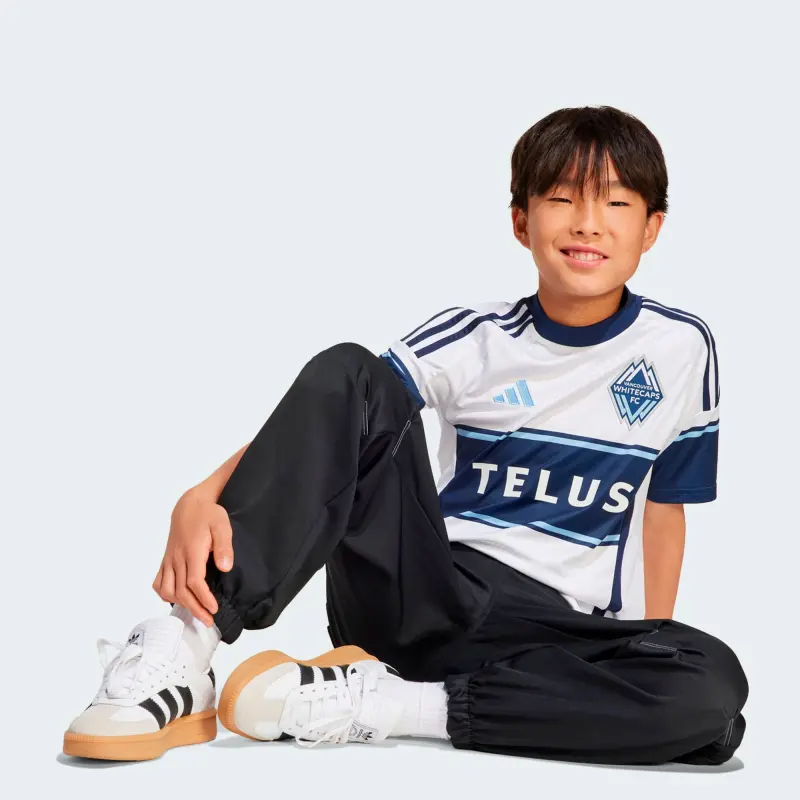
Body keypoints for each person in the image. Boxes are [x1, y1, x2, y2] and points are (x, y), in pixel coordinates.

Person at [63, 105, 748, 765]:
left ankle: (390, 704)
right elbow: (339, 416)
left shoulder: (682, 348)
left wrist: (644, 647)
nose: (588, 224)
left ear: (652, 228)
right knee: (351, 369)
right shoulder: (476, 338)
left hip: (556, 633)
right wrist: (202, 494)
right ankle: (187, 647)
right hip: (425, 593)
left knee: (713, 693)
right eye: (563, 199)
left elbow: (665, 511)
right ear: (521, 221)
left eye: (616, 203)